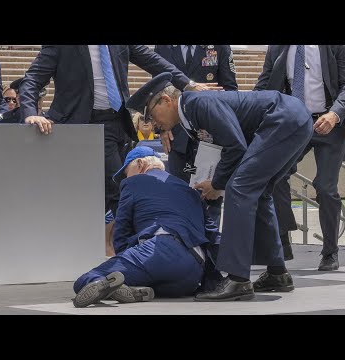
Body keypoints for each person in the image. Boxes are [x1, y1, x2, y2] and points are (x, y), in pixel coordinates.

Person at [126, 72, 314, 301]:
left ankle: (238, 280)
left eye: (151, 114)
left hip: (283, 119)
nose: (153, 124)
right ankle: (277, 273)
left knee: (240, 189)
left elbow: (235, 146)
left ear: (166, 100)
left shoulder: (198, 103)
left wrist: (217, 184)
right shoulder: (189, 116)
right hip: (291, 119)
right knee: (259, 193)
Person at [20, 45, 207, 218]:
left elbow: (152, 60)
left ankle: (109, 242)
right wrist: (30, 113)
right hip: (85, 125)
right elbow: (33, 78)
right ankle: (131, 244)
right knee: (120, 190)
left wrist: (187, 84)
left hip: (120, 123)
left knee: (110, 191)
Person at [73, 146, 221, 308]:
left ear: (140, 163)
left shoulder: (133, 183)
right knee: (155, 284)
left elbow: (121, 231)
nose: (126, 177)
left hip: (158, 251)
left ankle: (111, 286)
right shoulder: (190, 190)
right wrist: (217, 279)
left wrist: (124, 260)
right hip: (192, 271)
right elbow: (213, 237)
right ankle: (134, 290)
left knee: (86, 280)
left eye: (126, 172)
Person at [254, 45, 345, 270]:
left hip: (329, 124)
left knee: (326, 188)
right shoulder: (277, 49)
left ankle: (330, 252)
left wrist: (335, 114)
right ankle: (283, 240)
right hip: (293, 124)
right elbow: (264, 85)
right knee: (275, 175)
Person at [155, 45, 238, 228]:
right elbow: (157, 90)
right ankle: (184, 248)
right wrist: (163, 128)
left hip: (210, 135)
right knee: (179, 194)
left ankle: (209, 249)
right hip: (177, 136)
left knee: (209, 197)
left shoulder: (219, 47)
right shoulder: (163, 47)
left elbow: (230, 89)